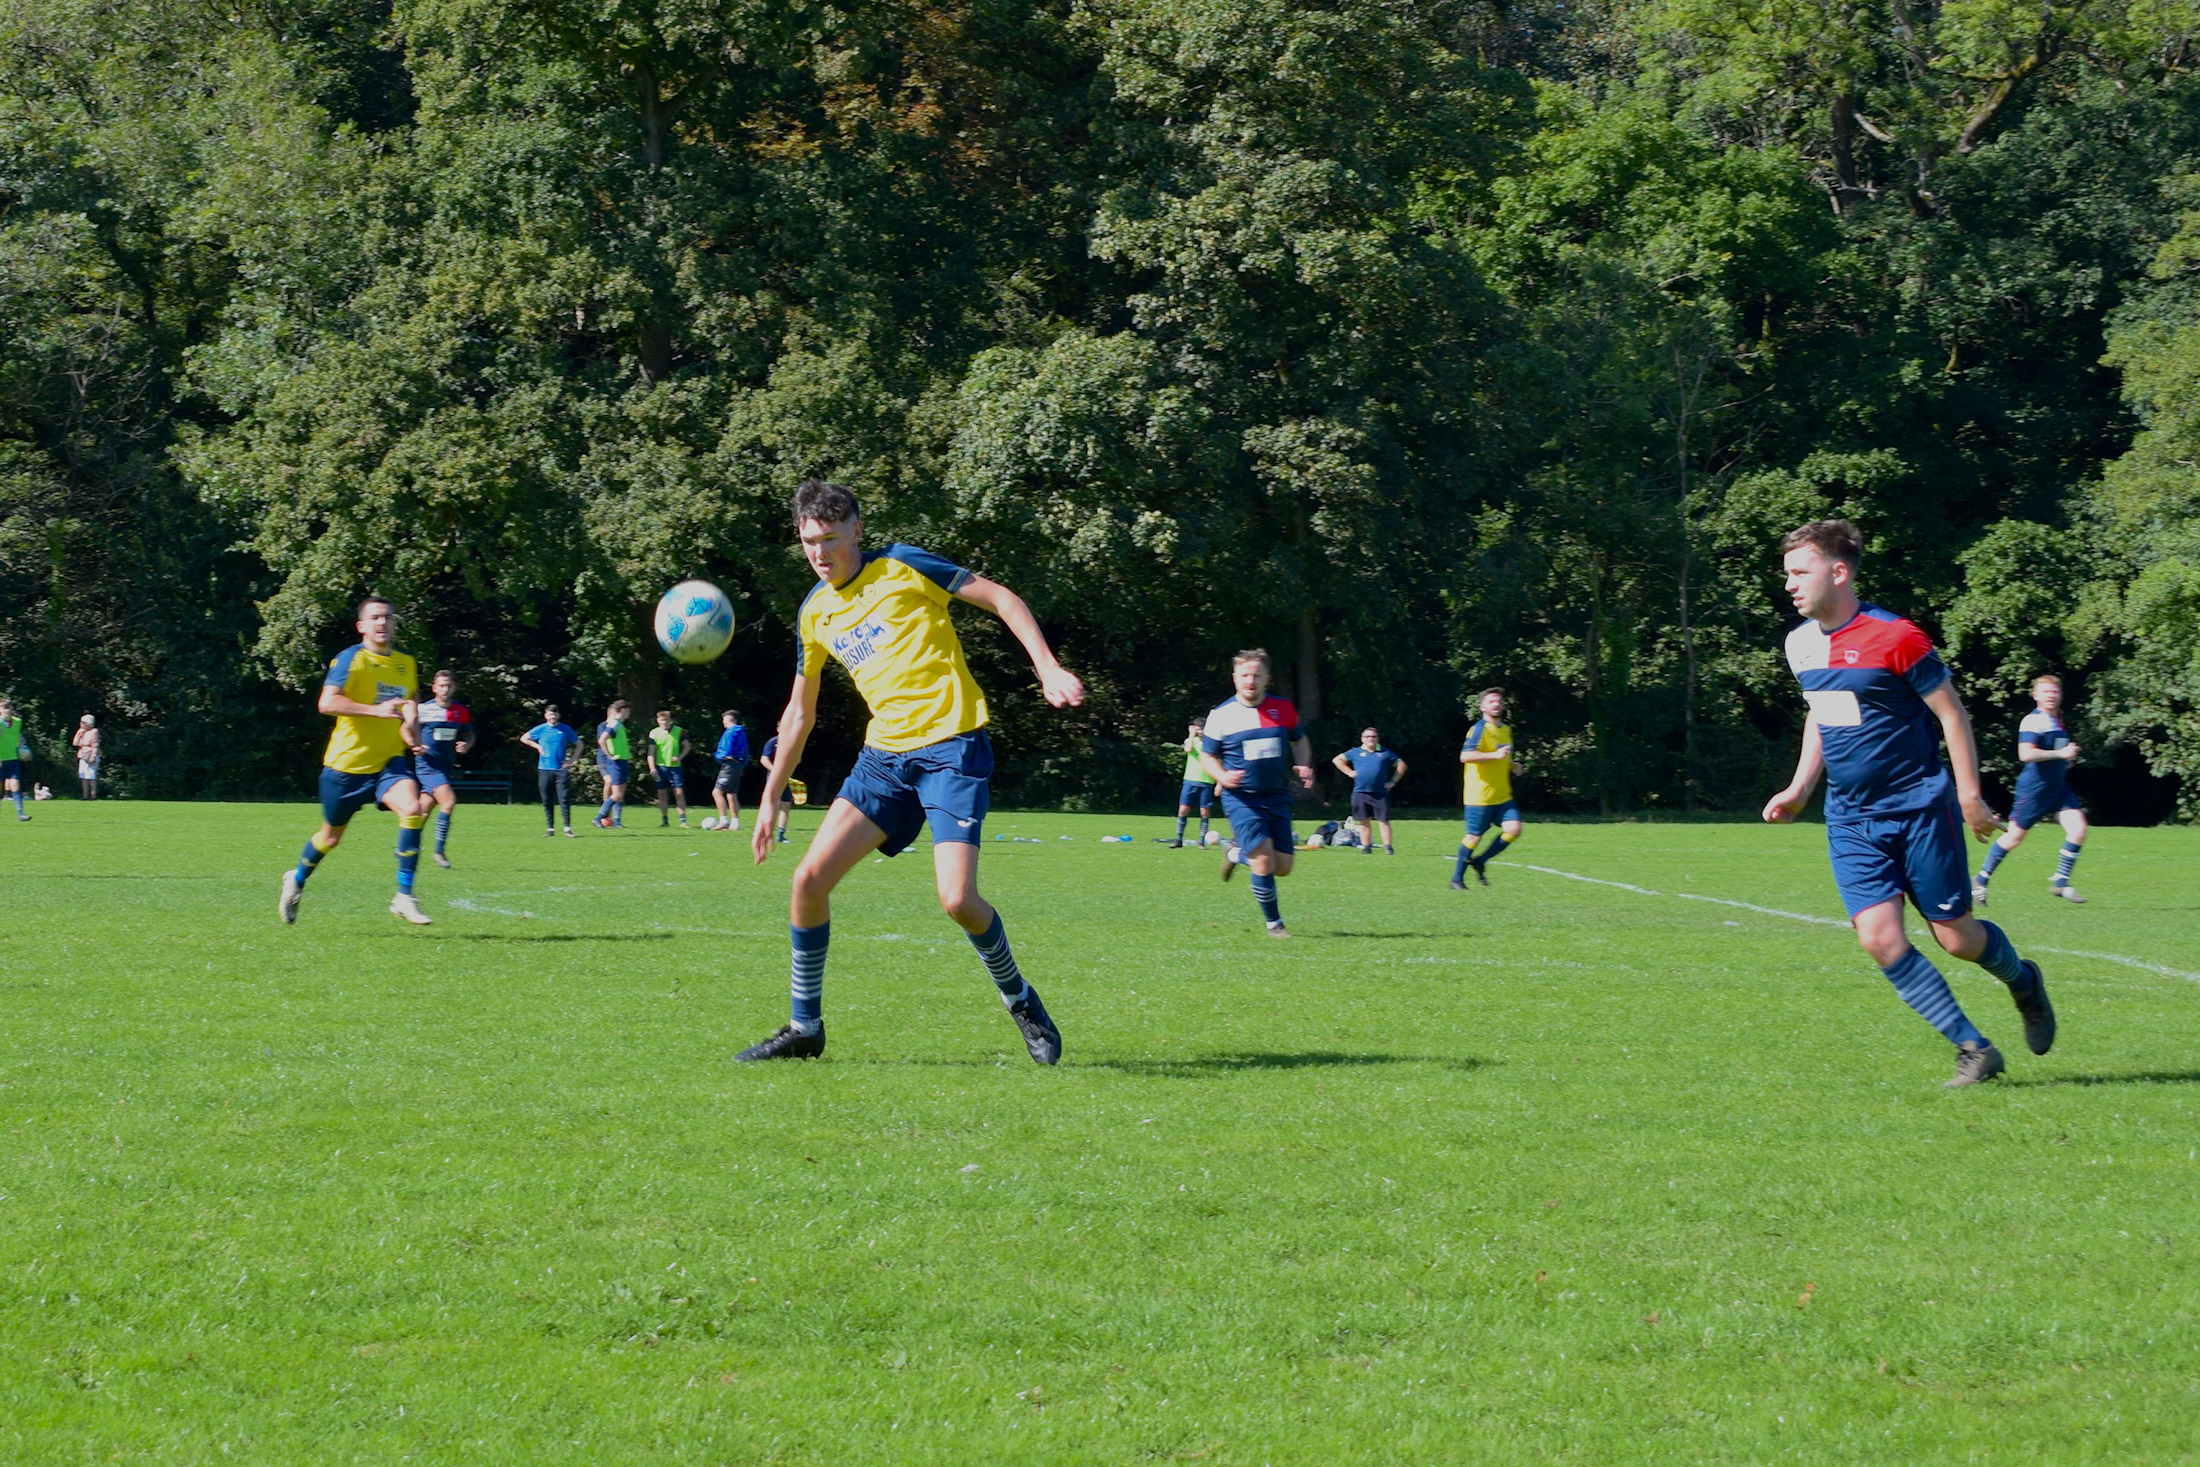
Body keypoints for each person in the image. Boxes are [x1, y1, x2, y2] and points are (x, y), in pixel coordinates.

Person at [736, 478, 1083, 1064]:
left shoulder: (902, 566)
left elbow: (1001, 598)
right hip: (883, 759)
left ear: (856, 530)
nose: (819, 554)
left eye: (828, 539)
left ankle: (1021, 1000)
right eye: (807, 543)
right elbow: (800, 710)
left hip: (951, 748)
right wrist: (771, 795)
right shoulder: (814, 613)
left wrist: (1046, 667)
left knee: (957, 900)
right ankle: (804, 1027)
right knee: (807, 883)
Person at [1762, 520, 2055, 1088]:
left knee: (1957, 938)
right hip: (1850, 816)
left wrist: (1969, 795)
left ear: (1839, 572)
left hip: (1920, 806)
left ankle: (2023, 980)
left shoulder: (1896, 637)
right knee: (1878, 937)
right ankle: (1974, 1048)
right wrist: (1800, 789)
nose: (1791, 586)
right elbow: (1823, 712)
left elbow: (1952, 714)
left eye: (1801, 573)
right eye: (1788, 575)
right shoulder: (1799, 643)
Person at [278, 595, 433, 926]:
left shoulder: (406, 663)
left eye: (388, 617)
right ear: (361, 626)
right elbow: (327, 702)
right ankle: (297, 878)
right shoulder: (351, 659)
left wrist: (412, 734)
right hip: (345, 768)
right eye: (375, 617)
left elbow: (408, 706)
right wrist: (374, 710)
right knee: (330, 838)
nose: (382, 623)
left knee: (413, 810)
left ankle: (404, 896)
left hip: (388, 764)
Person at [1205, 649, 1315, 937]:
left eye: (1256, 675)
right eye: (1244, 675)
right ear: (1234, 678)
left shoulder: (1283, 709)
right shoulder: (1221, 715)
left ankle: (1235, 854)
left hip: (1277, 795)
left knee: (1283, 867)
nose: (1250, 681)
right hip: (1241, 798)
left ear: (1267, 679)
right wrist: (1222, 776)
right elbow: (1207, 757)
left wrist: (1303, 763)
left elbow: (1300, 741)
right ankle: (1274, 924)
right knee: (1264, 860)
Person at [1975, 674, 2088, 906]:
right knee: (2014, 837)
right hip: (2035, 790)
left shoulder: (2057, 720)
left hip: (2058, 788)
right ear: (2036, 695)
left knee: (2078, 829)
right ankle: (1981, 878)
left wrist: (2065, 760)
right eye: (2045, 691)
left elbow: (2053, 753)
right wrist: (2060, 754)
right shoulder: (2033, 721)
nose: (2051, 695)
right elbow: (2025, 754)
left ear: (2060, 694)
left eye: (2054, 691)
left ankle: (2060, 881)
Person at [1452, 689, 1521, 887]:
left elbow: (1502, 757)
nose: (1496, 704)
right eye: (1491, 701)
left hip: (1502, 795)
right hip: (1479, 796)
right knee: (1474, 837)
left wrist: (1513, 765)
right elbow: (1465, 757)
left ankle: (1481, 861)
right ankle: (1456, 879)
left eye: (1498, 701)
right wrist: (1495, 756)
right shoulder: (1479, 729)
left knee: (1514, 829)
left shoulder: (1506, 730)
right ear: (1482, 706)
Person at [414, 670, 475, 868]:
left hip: (445, 766)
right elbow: (407, 728)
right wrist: (414, 744)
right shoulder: (424, 710)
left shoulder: (460, 711)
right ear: (434, 688)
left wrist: (466, 744)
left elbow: (470, 734)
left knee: (421, 812)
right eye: (441, 685)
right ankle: (439, 852)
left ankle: (404, 847)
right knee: (448, 802)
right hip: (428, 766)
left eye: (448, 685)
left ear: (454, 688)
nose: (445, 689)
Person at [1333, 727, 1405, 855]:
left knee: (1383, 821)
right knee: (1364, 821)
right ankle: (1366, 847)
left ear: (1377, 738)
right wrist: (1349, 772)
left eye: (1373, 736)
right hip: (1360, 792)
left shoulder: (1385, 752)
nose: (1370, 739)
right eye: (1367, 737)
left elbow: (1401, 765)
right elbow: (1337, 760)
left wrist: (1393, 781)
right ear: (1362, 739)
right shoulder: (1355, 752)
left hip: (1380, 793)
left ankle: (1388, 847)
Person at [522, 703, 581, 837]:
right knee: (547, 800)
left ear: (558, 715)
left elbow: (579, 744)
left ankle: (567, 828)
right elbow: (524, 738)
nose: (552, 716)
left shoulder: (565, 729)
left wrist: (571, 761)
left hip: (560, 770)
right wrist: (537, 746)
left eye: (554, 714)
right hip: (544, 769)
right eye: (550, 714)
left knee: (564, 799)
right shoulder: (541, 729)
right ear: (545, 716)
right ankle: (550, 829)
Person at [1157, 718, 1218, 847]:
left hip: (1207, 780)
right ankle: (1178, 839)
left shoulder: (1212, 743)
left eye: (1202, 729)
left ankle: (1202, 841)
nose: (1200, 732)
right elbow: (1188, 749)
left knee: (1204, 811)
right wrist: (1191, 735)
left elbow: (1218, 761)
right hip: (1190, 779)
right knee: (1183, 809)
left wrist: (1218, 782)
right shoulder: (1191, 741)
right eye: (1198, 729)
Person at [647, 708, 692, 827]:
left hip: (675, 767)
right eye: (661, 720)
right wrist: (652, 768)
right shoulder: (654, 733)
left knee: (679, 792)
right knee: (661, 793)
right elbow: (651, 753)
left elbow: (687, 747)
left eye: (666, 720)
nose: (664, 723)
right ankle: (665, 820)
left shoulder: (679, 731)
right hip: (660, 767)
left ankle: (682, 821)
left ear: (670, 720)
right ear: (657, 721)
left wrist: (679, 757)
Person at [594, 699, 632, 828]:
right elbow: (602, 740)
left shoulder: (619, 725)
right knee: (617, 794)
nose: (629, 714)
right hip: (615, 762)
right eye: (628, 711)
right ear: (623, 710)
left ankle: (616, 822)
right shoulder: (613, 724)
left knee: (620, 793)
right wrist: (609, 755)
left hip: (622, 761)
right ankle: (599, 817)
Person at [711, 710, 749, 830]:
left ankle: (723, 821)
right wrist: (742, 765)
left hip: (729, 764)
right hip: (738, 764)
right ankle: (735, 823)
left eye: (724, 719)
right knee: (731, 794)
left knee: (717, 792)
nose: (723, 722)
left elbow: (725, 751)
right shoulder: (742, 732)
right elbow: (746, 751)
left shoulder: (729, 732)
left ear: (730, 719)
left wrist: (718, 756)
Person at [758, 734, 792, 842]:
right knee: (774, 805)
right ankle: (766, 833)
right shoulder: (772, 742)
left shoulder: (790, 740)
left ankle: (781, 835)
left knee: (786, 805)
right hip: (773, 778)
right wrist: (775, 770)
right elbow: (764, 759)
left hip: (785, 777)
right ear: (778, 729)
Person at [0, 699, 28, 821]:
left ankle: (20, 814)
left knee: (15, 784)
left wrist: (24, 748)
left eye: (8, 707)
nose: (7, 710)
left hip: (12, 759)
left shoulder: (18, 722)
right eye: (4, 708)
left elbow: (19, 737)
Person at [70, 715, 100, 801]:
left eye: (83, 722)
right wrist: (79, 733)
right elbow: (75, 743)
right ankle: (85, 796)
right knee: (83, 776)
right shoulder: (82, 732)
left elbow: (95, 745)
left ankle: (93, 795)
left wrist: (93, 756)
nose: (81, 724)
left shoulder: (94, 731)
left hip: (90, 754)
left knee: (91, 776)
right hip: (82, 755)